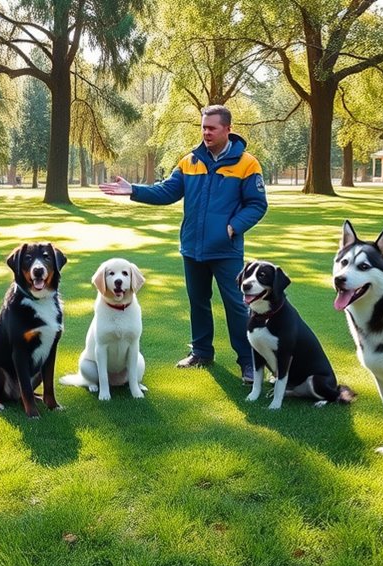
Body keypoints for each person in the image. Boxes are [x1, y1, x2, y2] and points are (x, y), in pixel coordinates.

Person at [99, 105, 267, 383]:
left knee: (236, 305)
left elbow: (257, 204)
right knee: (198, 302)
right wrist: (134, 190)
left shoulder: (247, 163)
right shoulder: (190, 160)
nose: (206, 132)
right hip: (192, 248)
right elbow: (167, 191)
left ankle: (248, 361)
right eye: (203, 127)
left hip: (226, 250)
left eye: (212, 128)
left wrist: (233, 227)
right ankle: (201, 351)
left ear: (228, 129)